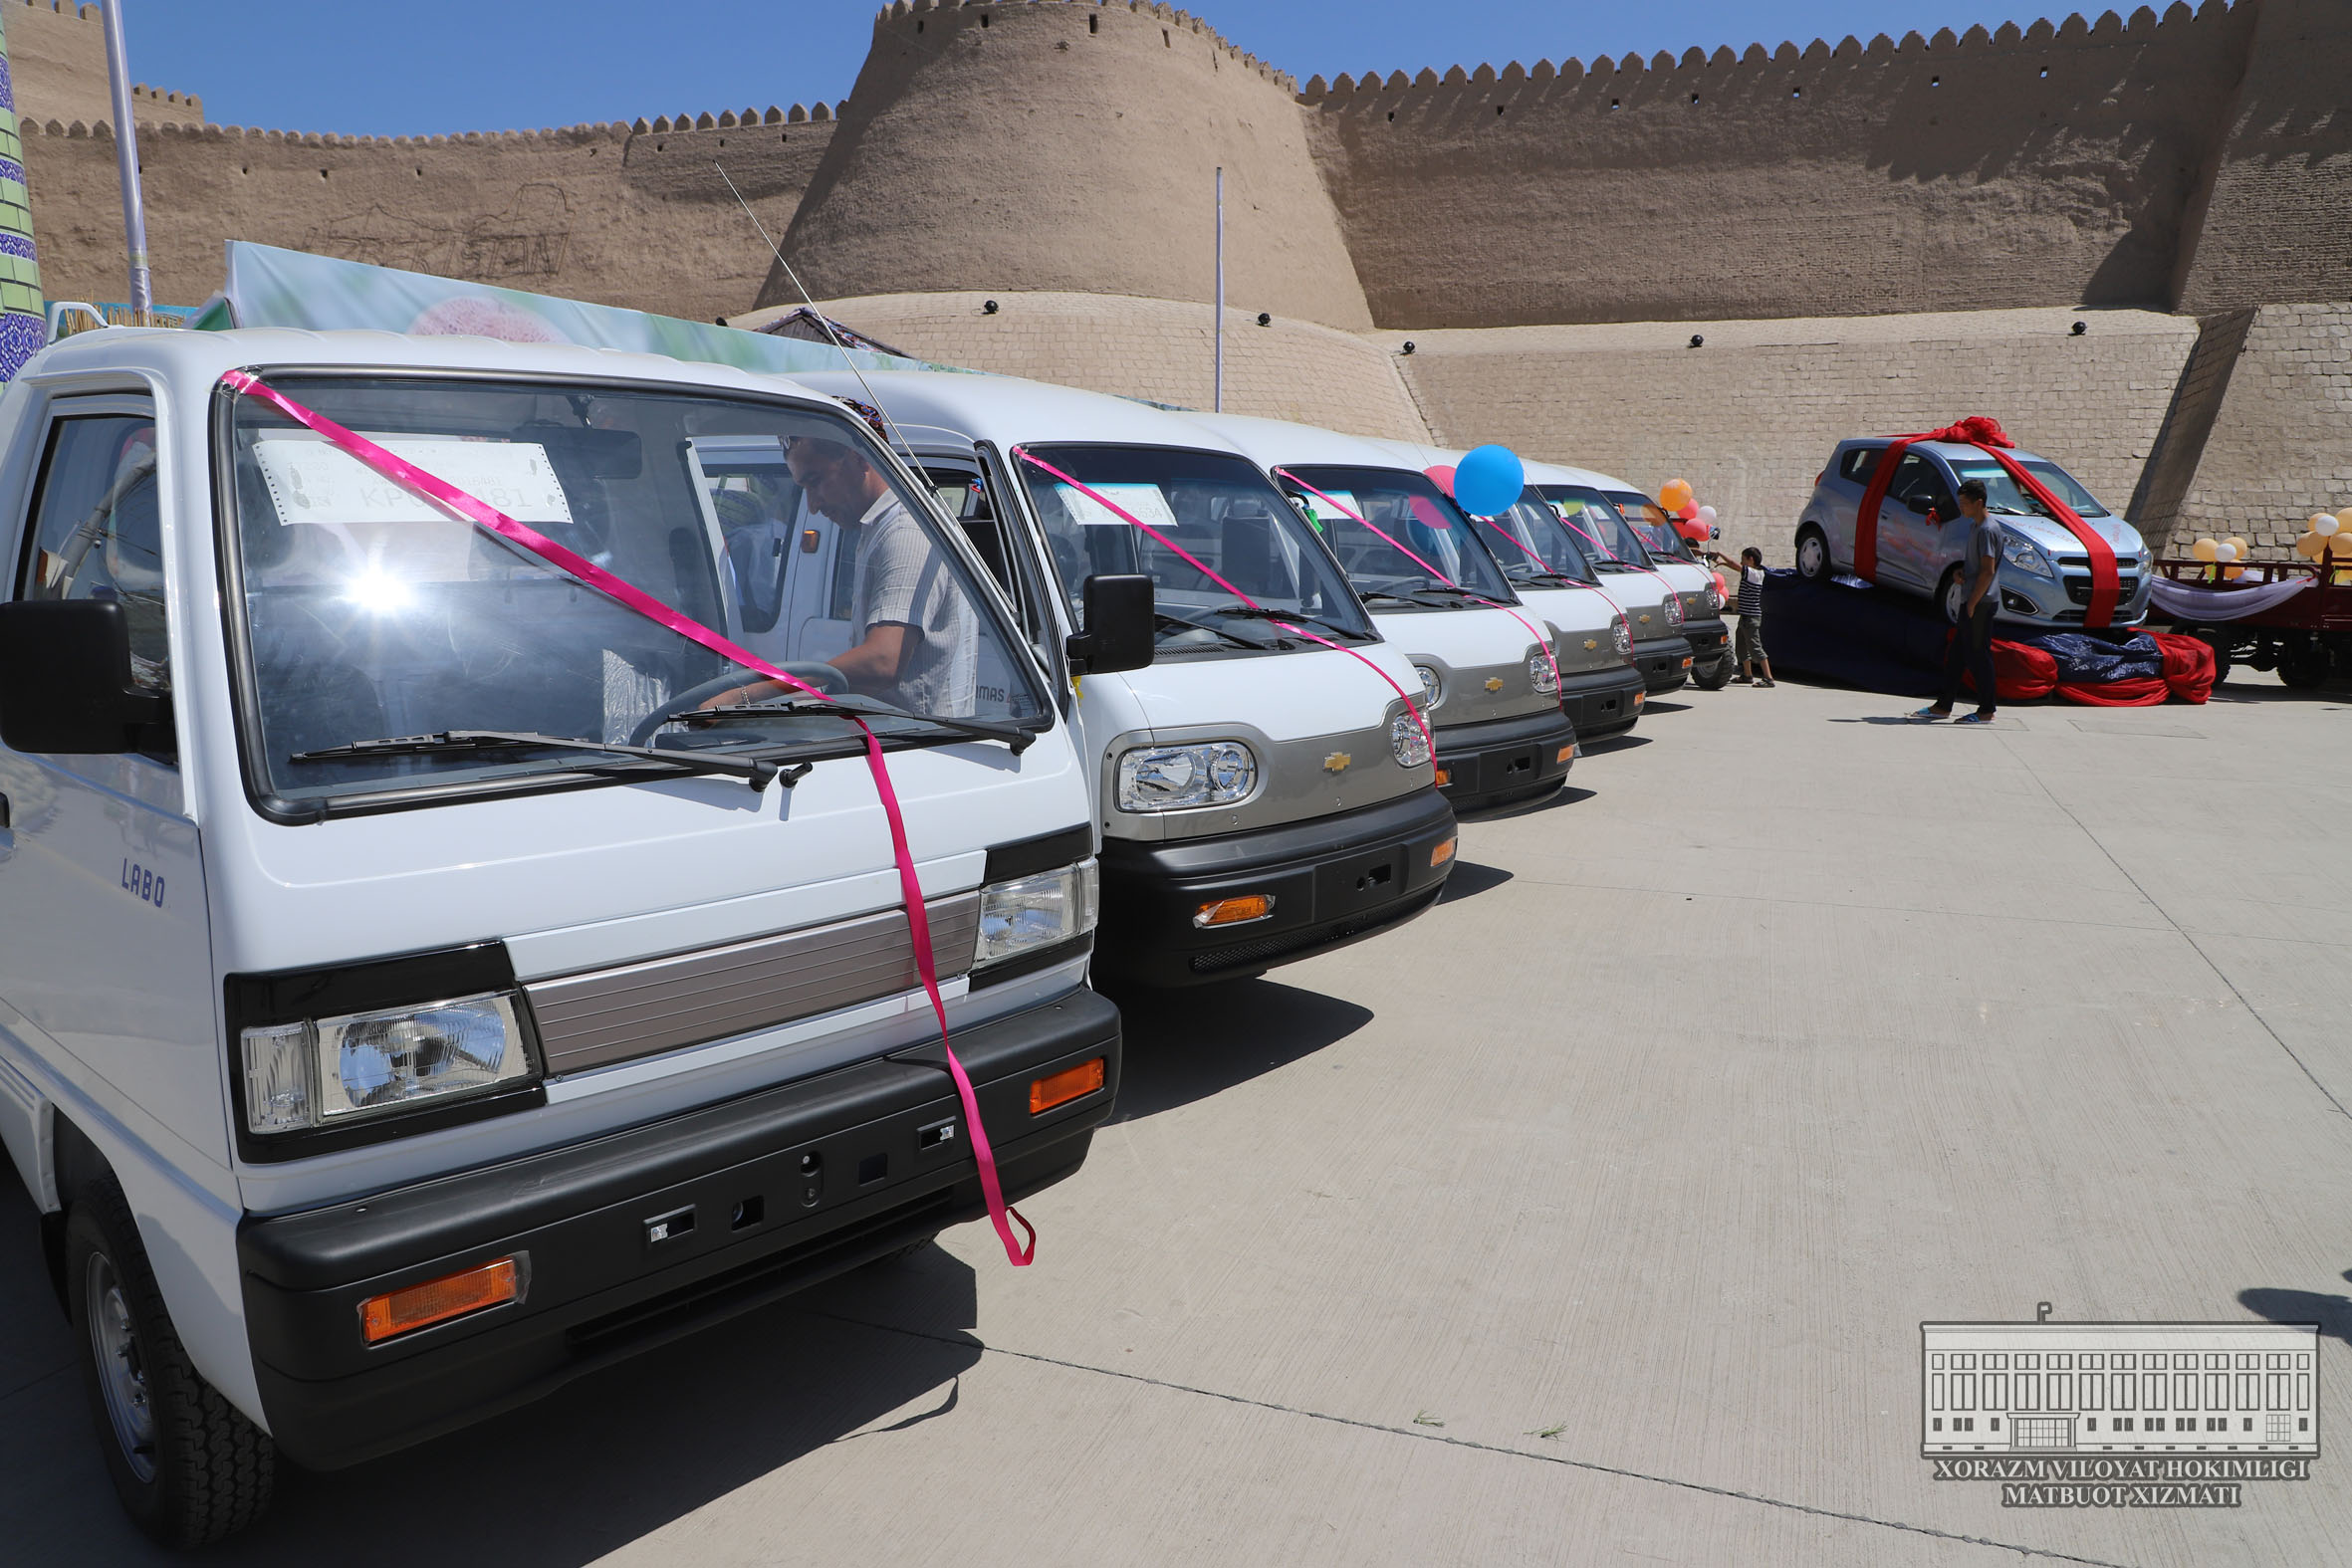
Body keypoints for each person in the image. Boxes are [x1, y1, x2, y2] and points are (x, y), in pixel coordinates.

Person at [707, 435, 976, 715]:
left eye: (816, 481)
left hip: (916, 737)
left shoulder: (904, 533)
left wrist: (747, 695)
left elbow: (883, 660)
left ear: (858, 457)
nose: (812, 505)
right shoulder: (878, 527)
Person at [1914, 478, 2000, 724]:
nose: (1960, 507)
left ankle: (1986, 710)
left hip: (1980, 602)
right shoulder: (1976, 526)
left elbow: (1988, 571)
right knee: (1957, 655)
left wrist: (1972, 603)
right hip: (1971, 598)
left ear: (1978, 502)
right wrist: (1962, 573)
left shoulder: (1987, 530)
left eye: (1964, 503)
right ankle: (1943, 706)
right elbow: (1978, 567)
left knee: (1978, 656)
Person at [1727, 547, 1773, 687]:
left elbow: (1733, 565)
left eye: (1743, 560)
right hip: (1745, 616)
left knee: (1755, 648)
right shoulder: (1752, 573)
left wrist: (1720, 556)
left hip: (1751, 618)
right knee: (1741, 647)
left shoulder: (1755, 574)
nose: (1741, 563)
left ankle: (1768, 678)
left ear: (1751, 560)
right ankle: (1747, 675)